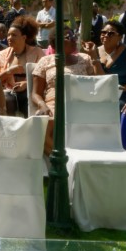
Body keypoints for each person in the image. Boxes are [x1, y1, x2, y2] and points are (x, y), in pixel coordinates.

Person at [31, 27, 101, 155]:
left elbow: (101, 82)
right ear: (56, 42)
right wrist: (42, 105)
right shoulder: (45, 61)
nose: (74, 39)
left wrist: (94, 56)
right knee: (40, 127)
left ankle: (67, 160)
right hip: (54, 104)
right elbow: (35, 93)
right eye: (69, 37)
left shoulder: (85, 58)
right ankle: (64, 159)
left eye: (74, 36)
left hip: (80, 103)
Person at [0, 16, 45, 117]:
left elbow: (45, 75)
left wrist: (27, 84)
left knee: (28, 99)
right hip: (7, 94)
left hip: (32, 93)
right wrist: (8, 72)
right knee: (7, 100)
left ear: (24, 37)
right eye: (8, 35)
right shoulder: (1, 55)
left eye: (13, 35)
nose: (9, 38)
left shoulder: (37, 52)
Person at [95, 20, 126, 108]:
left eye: (111, 33)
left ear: (120, 37)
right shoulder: (94, 51)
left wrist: (119, 89)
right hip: (100, 93)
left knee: (116, 105)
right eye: (103, 32)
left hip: (124, 94)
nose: (106, 35)